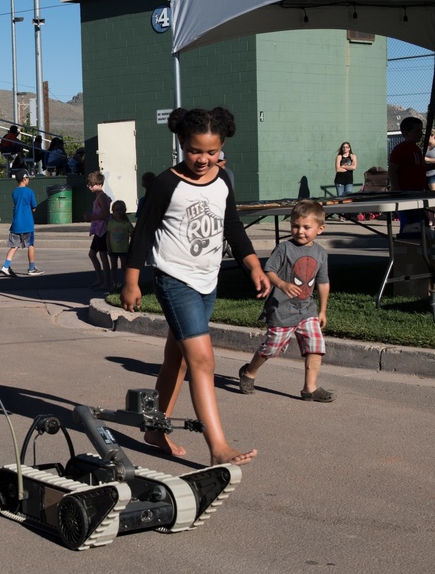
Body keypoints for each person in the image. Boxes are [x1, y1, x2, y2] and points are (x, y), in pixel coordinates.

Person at [121, 106, 269, 466]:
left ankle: (154, 428)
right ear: (181, 143)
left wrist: (253, 266)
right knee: (202, 359)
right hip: (175, 280)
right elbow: (142, 234)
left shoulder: (222, 179)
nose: (203, 159)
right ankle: (218, 445)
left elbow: (231, 225)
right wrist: (131, 280)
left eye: (211, 151)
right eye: (195, 150)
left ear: (221, 147)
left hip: (207, 280)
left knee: (178, 359)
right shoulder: (166, 184)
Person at [237, 199, 333, 403]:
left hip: (307, 310)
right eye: (295, 226)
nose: (300, 231)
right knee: (271, 348)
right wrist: (282, 284)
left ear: (320, 228)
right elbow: (269, 271)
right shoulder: (284, 248)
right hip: (281, 310)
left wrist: (322, 311)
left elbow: (323, 283)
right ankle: (249, 372)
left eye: (307, 227)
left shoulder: (320, 253)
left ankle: (310, 388)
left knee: (315, 345)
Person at [0, 169, 44, 276]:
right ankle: (31, 268)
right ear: (24, 179)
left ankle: (5, 266)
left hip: (16, 223)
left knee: (14, 246)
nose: (28, 180)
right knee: (31, 245)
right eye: (28, 178)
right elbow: (34, 207)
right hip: (27, 223)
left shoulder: (14, 191)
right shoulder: (29, 192)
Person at [388, 117, 427, 232]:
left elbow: (419, 167)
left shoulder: (416, 149)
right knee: (411, 226)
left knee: (422, 224)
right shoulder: (400, 149)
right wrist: (397, 191)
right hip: (406, 194)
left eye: (421, 130)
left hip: (418, 193)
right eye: (417, 131)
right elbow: (392, 170)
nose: (421, 134)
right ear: (406, 133)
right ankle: (408, 247)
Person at [87, 171, 113, 290]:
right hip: (98, 231)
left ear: (99, 184)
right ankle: (100, 279)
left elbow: (106, 214)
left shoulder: (102, 196)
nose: (89, 187)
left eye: (91, 184)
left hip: (102, 230)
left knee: (103, 256)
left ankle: (107, 282)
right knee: (92, 254)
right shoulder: (99, 196)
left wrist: (91, 217)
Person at [106, 200, 133, 286]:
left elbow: (133, 233)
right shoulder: (111, 223)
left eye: (121, 210)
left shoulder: (126, 223)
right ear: (113, 211)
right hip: (113, 249)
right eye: (116, 210)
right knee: (113, 267)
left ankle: (126, 283)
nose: (119, 212)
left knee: (124, 267)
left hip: (124, 249)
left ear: (124, 210)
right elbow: (108, 236)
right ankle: (114, 283)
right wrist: (108, 247)